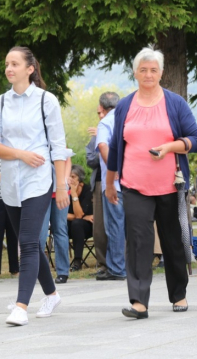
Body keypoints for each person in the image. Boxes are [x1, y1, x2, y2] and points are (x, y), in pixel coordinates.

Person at [105, 46, 197, 319]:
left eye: (153, 70)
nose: (148, 74)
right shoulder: (125, 104)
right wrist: (110, 183)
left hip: (170, 186)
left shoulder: (175, 103)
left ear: (161, 73)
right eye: (143, 69)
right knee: (138, 241)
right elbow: (115, 147)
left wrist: (171, 146)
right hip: (133, 185)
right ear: (135, 72)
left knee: (172, 241)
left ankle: (178, 293)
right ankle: (139, 302)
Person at [0, 46, 69, 326]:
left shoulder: (46, 100)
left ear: (30, 69)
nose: (9, 68)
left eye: (15, 64)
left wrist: (62, 185)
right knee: (29, 242)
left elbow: (58, 147)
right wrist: (19, 154)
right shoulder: (0, 103)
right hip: (10, 183)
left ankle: (21, 306)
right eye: (7, 63)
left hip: (38, 180)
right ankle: (52, 294)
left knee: (28, 242)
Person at [96, 91, 126, 281]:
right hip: (133, 182)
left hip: (114, 184)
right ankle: (131, 266)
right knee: (131, 227)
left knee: (114, 226)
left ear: (102, 108)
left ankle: (116, 268)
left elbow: (102, 146)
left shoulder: (105, 122)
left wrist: (114, 172)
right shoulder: (128, 118)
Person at [38, 154, 73, 284]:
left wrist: (64, 180)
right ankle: (39, 270)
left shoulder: (57, 137)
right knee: (40, 233)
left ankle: (63, 271)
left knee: (60, 229)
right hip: (42, 190)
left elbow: (67, 158)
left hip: (61, 191)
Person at [85, 104, 108, 276]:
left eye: (102, 112)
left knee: (117, 225)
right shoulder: (96, 134)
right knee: (99, 227)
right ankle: (102, 264)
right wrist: (102, 149)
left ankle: (120, 262)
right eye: (98, 112)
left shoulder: (122, 127)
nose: (100, 116)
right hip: (99, 183)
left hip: (119, 183)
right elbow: (89, 159)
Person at [67, 164, 94, 271]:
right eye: (69, 177)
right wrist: (83, 217)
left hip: (88, 228)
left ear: (80, 180)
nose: (70, 180)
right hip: (67, 227)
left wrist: (73, 194)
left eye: (73, 177)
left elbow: (78, 216)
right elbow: (61, 214)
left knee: (77, 223)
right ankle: (63, 261)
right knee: (60, 224)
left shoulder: (88, 191)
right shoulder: (63, 190)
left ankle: (77, 261)